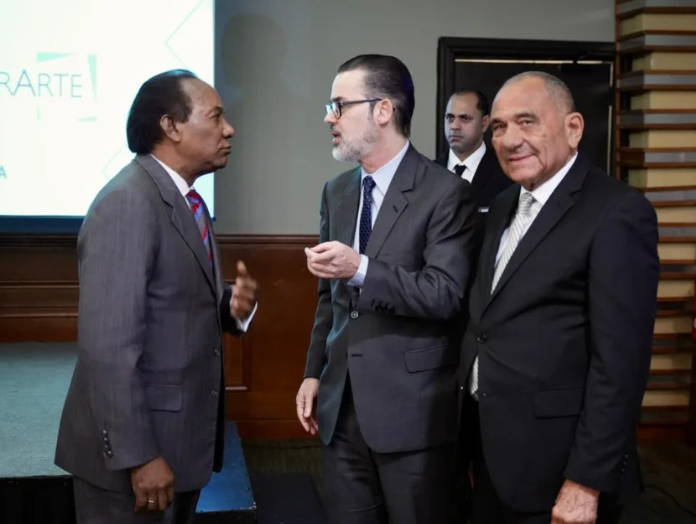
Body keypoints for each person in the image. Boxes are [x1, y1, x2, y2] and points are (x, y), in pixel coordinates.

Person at [54, 69, 258, 524]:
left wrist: (230, 306)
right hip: (136, 462)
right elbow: (108, 347)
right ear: (171, 126)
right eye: (216, 116)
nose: (229, 129)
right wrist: (139, 456)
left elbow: (172, 298)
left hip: (179, 446)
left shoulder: (188, 201)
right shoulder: (128, 203)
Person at [459, 71, 659, 524]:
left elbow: (621, 366)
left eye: (527, 121)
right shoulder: (504, 204)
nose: (510, 139)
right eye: (499, 127)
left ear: (573, 128)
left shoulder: (617, 212)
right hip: (491, 451)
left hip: (560, 468)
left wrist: (586, 481)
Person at [295, 54, 476, 524]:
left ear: (382, 110)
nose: (329, 118)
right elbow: (328, 300)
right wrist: (313, 372)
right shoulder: (336, 191)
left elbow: (444, 294)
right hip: (340, 406)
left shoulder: (444, 192)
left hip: (412, 412)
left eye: (339, 105)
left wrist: (360, 268)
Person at [435, 89, 512, 261]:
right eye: (450, 118)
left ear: (484, 123)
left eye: (464, 118)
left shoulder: (506, 172)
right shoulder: (428, 173)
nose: (454, 126)